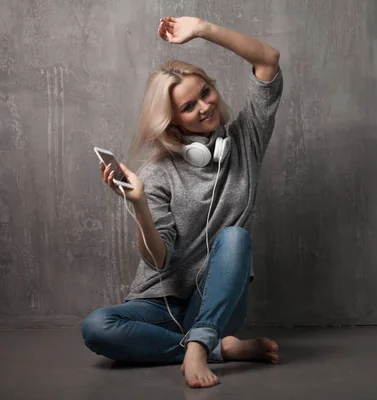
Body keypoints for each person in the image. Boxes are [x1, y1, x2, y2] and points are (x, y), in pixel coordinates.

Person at [81, 16, 283, 389]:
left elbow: (268, 59)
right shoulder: (157, 172)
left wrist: (203, 31)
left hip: (217, 301)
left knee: (235, 237)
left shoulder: (246, 137)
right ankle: (213, 349)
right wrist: (139, 204)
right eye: (189, 107)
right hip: (159, 305)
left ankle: (201, 339)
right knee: (96, 327)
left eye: (206, 93)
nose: (205, 107)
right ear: (174, 122)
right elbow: (159, 260)